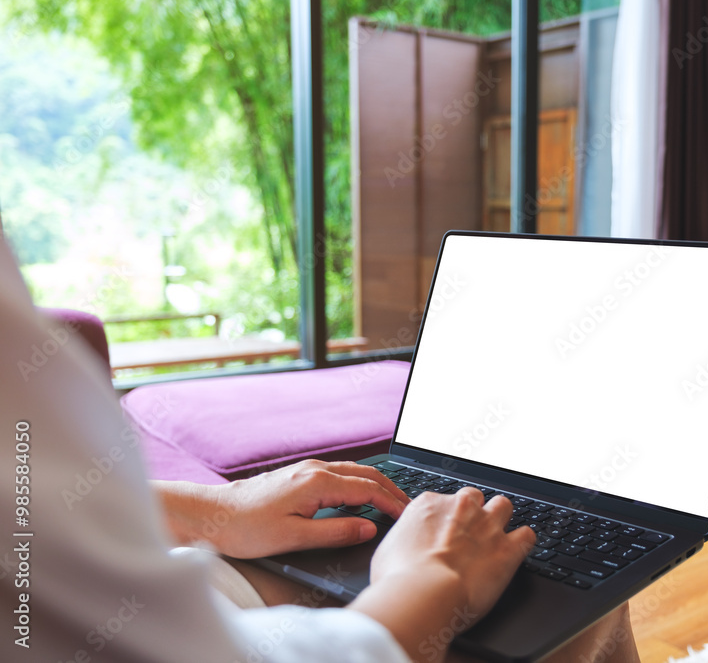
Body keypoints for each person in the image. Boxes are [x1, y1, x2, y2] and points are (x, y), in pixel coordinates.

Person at [0, 238, 639, 662]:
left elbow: (25, 510)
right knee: (585, 603)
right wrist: (430, 582)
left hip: (191, 595)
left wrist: (215, 508)